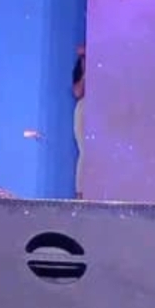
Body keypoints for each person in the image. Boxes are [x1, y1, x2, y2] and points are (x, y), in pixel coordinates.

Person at [73, 44, 86, 199]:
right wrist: (85, 74)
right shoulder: (81, 72)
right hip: (85, 109)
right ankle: (81, 193)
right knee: (85, 152)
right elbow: (77, 92)